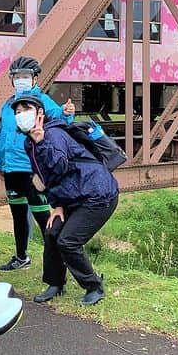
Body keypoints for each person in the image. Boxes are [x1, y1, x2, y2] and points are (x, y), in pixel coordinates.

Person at [11, 91, 118, 306]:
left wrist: (41, 142)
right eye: (18, 111)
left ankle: (94, 286)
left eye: (27, 110)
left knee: (68, 241)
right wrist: (56, 206)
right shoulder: (30, 141)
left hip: (98, 194)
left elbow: (59, 166)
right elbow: (44, 176)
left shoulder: (52, 135)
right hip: (74, 196)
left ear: (40, 113)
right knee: (52, 232)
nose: (22, 114)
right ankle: (55, 283)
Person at [0, 56, 75, 271]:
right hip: (11, 169)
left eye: (25, 76)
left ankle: (56, 263)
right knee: (18, 217)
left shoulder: (43, 101)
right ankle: (21, 257)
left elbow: (60, 120)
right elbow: (1, 136)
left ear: (34, 78)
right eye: (17, 76)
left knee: (43, 217)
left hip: (33, 170)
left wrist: (68, 114)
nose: (21, 80)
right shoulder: (7, 105)